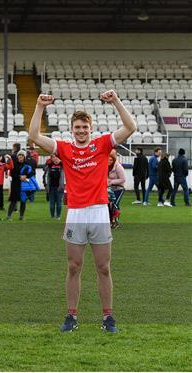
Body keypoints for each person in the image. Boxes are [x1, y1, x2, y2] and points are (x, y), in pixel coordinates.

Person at [29, 90, 136, 334]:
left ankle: (108, 318)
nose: (80, 130)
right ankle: (71, 316)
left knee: (104, 267)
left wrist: (116, 101)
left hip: (99, 212)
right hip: (76, 213)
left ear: (90, 128)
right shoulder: (64, 149)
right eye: (77, 127)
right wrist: (39, 106)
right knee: (74, 266)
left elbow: (131, 127)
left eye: (84, 126)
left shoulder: (101, 145)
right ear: (71, 129)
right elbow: (34, 135)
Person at [16, 150, 37, 221]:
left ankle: (21, 215)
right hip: (16, 184)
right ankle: (9, 215)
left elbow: (32, 173)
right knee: (14, 200)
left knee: (23, 200)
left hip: (24, 185)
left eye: (22, 155)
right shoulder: (15, 164)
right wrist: (19, 177)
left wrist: (26, 176)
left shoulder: (27, 165)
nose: (20, 156)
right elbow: (12, 174)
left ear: (24, 157)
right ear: (17, 156)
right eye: (19, 155)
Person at [108, 150, 126, 228]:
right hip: (109, 189)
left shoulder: (118, 166)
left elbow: (123, 179)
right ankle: (110, 221)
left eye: (113, 154)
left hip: (119, 188)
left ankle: (116, 222)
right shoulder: (105, 165)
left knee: (115, 204)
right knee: (108, 205)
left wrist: (111, 182)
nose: (110, 159)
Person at [43, 154, 65, 219]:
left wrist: (61, 162)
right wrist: (46, 185)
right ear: (51, 158)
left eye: (56, 157)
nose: (55, 159)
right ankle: (52, 216)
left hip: (60, 187)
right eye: (53, 157)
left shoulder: (62, 166)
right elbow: (44, 171)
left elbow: (69, 166)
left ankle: (58, 216)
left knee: (59, 203)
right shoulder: (49, 165)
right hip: (51, 188)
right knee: (52, 204)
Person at [6, 142, 22, 219]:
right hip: (22, 179)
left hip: (15, 179)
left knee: (13, 199)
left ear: (14, 148)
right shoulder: (22, 156)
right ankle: (21, 216)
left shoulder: (12, 156)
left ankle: (9, 215)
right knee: (22, 200)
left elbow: (10, 167)